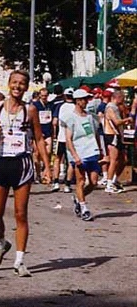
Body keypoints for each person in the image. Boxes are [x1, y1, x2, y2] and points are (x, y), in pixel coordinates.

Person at [0, 70, 51, 277]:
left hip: (22, 163)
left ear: (26, 87)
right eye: (14, 82)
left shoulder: (30, 110)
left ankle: (20, 260)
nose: (18, 86)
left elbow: (39, 139)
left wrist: (47, 167)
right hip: (0, 163)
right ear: (8, 84)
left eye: (22, 83)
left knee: (20, 214)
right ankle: (2, 243)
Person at [65, 89, 100, 221]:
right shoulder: (71, 118)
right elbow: (68, 139)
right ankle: (84, 208)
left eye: (87, 99)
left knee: (93, 182)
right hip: (79, 153)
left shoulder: (90, 116)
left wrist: (100, 150)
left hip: (92, 152)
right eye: (84, 99)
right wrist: (75, 156)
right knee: (80, 181)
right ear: (78, 101)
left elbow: (94, 133)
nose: (86, 101)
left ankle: (78, 199)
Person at [103, 90, 132, 193]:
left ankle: (114, 180)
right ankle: (109, 184)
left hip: (117, 135)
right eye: (123, 98)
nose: (124, 100)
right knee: (113, 160)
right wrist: (127, 119)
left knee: (123, 159)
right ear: (118, 97)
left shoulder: (117, 107)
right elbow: (117, 122)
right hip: (112, 135)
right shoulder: (111, 107)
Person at [51, 87, 75, 193]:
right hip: (72, 138)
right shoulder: (75, 107)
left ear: (65, 96)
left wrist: (54, 134)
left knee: (57, 159)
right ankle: (67, 184)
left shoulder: (60, 106)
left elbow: (54, 122)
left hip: (61, 137)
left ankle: (56, 182)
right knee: (70, 162)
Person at [32, 88, 53, 183]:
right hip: (37, 133)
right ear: (39, 96)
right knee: (37, 153)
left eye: (46, 96)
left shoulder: (49, 105)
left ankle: (45, 171)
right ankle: (38, 174)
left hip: (48, 131)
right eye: (43, 96)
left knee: (48, 152)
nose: (44, 97)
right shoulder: (35, 105)